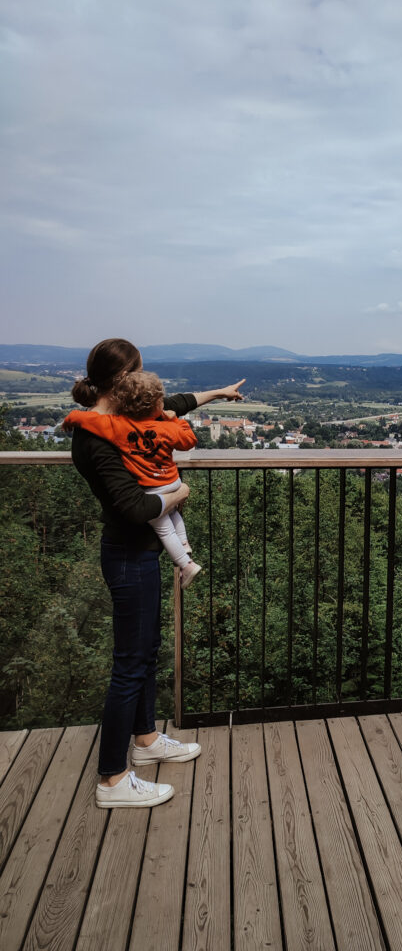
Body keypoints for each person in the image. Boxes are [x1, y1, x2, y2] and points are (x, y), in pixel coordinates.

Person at [68, 338, 244, 808]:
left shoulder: (121, 419)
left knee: (145, 652)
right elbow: (134, 506)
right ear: (126, 380)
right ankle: (112, 779)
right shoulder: (95, 437)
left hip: (140, 554)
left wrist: (218, 393)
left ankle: (144, 741)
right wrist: (177, 495)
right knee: (129, 665)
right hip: (128, 555)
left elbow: (171, 407)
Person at [64, 370, 203, 590]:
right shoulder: (167, 428)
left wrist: (71, 419)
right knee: (173, 511)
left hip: (152, 489)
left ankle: (186, 565)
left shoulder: (117, 427)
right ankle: (184, 544)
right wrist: (175, 418)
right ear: (158, 405)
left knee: (163, 528)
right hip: (173, 481)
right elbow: (189, 440)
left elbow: (89, 419)